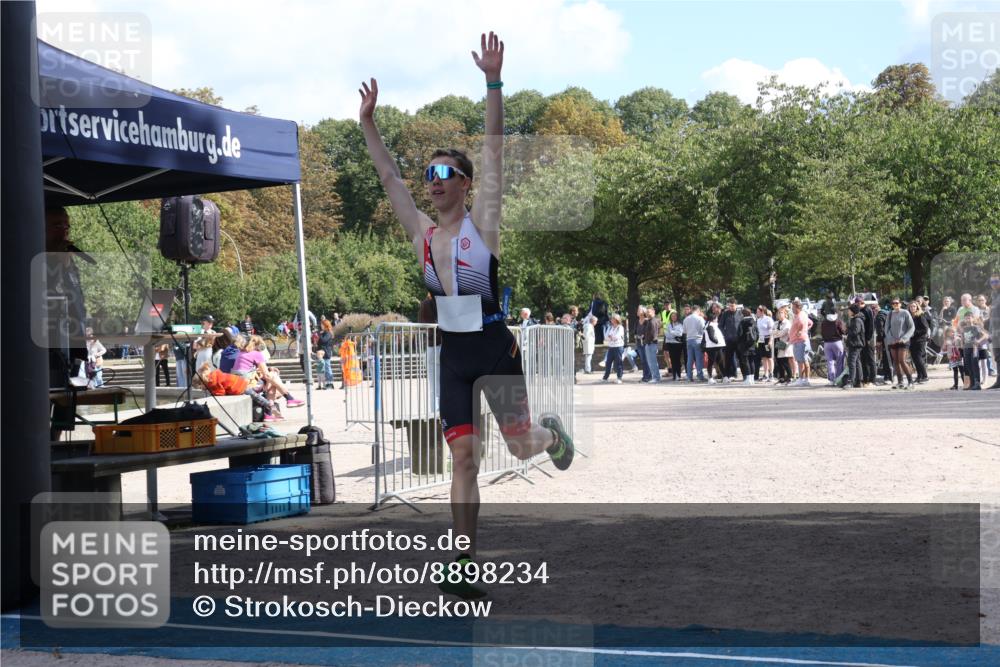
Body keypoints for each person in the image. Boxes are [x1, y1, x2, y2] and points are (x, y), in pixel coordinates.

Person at [359, 32, 574, 599]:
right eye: (428, 175)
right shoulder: (421, 235)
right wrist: (368, 124)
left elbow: (495, 150)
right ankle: (463, 560)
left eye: (443, 175)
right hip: (452, 357)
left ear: (466, 185)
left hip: (494, 349)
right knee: (463, 460)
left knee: (520, 446)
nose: (432, 183)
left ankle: (551, 435)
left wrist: (494, 81)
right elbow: (388, 178)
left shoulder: (484, 226)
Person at [883, 297, 915, 389]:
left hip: (903, 341)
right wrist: (891, 339)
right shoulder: (890, 314)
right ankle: (900, 382)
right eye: (893, 303)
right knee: (896, 361)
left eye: (897, 303)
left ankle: (910, 382)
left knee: (902, 360)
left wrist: (904, 338)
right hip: (893, 341)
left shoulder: (905, 313)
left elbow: (911, 327)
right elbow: (886, 328)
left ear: (900, 304)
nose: (895, 305)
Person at [959, 312, 988, 390]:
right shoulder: (964, 329)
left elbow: (985, 335)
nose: (968, 319)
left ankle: (977, 383)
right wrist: (962, 344)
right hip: (966, 349)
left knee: (974, 365)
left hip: (974, 348)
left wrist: (979, 341)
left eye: (969, 317)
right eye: (966, 318)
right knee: (968, 366)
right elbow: (962, 337)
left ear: (973, 318)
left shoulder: (976, 327)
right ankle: (971, 383)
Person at [788, 299, 813, 386]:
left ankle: (802, 379)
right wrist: (805, 330)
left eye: (793, 307)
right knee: (803, 360)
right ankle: (805, 379)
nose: (792, 309)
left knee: (801, 361)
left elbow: (802, 323)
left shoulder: (800, 316)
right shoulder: (802, 314)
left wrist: (801, 331)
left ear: (797, 307)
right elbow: (810, 323)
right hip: (801, 340)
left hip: (800, 341)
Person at [854, 296, 877, 387]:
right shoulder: (859, 311)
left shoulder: (867, 310)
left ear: (861, 303)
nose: (857, 305)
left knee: (870, 359)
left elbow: (871, 326)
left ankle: (872, 379)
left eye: (857, 303)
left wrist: (868, 339)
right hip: (861, 339)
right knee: (863, 359)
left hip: (867, 338)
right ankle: (865, 378)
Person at [908, 300, 933, 383]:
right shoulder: (910, 317)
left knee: (919, 358)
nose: (912, 308)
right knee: (915, 359)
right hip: (912, 340)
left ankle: (925, 376)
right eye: (911, 306)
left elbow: (925, 329)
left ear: (917, 307)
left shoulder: (920, 316)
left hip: (920, 340)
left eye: (914, 306)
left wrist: (914, 333)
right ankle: (919, 376)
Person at [820, 312, 846, 386]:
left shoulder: (824, 322)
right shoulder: (838, 321)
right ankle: (838, 379)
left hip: (827, 344)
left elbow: (822, 333)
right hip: (837, 343)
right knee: (839, 362)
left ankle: (831, 380)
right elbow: (843, 331)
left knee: (830, 362)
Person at [844, 304, 866, 389]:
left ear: (853, 311)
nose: (848, 312)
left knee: (851, 362)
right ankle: (859, 381)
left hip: (856, 344)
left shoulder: (857, 320)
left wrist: (847, 330)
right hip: (855, 343)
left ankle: (851, 382)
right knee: (857, 362)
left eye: (849, 310)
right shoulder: (854, 319)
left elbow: (855, 331)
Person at [718, 298, 740, 381]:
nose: (731, 307)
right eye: (730, 306)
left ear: (736, 305)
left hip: (738, 339)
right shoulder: (725, 314)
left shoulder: (740, 313)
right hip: (728, 339)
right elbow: (720, 326)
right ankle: (728, 375)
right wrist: (725, 334)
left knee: (741, 358)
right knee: (728, 358)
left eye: (733, 306)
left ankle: (744, 375)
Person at [682, 306, 706, 382]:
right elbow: (703, 329)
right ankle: (700, 376)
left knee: (690, 359)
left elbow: (684, 331)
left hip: (689, 340)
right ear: (698, 310)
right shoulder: (700, 318)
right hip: (698, 339)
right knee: (698, 359)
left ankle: (689, 377)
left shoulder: (686, 319)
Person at [735, 307, 758, 385]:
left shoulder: (742, 322)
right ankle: (752, 379)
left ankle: (748, 378)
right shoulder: (754, 321)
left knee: (745, 361)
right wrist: (754, 341)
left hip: (744, 344)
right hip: (752, 344)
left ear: (743, 314)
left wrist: (738, 342)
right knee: (751, 361)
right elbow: (757, 333)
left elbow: (739, 334)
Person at [702, 312, 727, 384]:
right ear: (713, 319)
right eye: (716, 318)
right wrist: (717, 342)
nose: (717, 319)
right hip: (712, 347)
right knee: (711, 362)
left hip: (717, 346)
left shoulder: (714, 325)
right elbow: (711, 337)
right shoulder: (710, 326)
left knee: (720, 361)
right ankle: (710, 378)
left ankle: (725, 377)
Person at [773, 306, 794, 385]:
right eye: (778, 313)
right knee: (779, 362)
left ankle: (790, 377)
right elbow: (771, 332)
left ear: (785, 314)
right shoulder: (776, 323)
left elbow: (783, 333)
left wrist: (776, 332)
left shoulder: (787, 323)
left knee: (785, 362)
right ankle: (781, 378)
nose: (779, 314)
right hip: (777, 344)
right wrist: (776, 333)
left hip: (784, 344)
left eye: (781, 313)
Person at [601, 314, 625, 384]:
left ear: (616, 319)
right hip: (611, 347)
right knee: (608, 362)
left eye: (613, 319)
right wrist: (611, 337)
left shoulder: (620, 327)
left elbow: (617, 337)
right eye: (611, 319)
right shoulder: (610, 327)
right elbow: (606, 337)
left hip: (618, 347)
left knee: (618, 363)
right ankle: (605, 378)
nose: (611, 320)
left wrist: (611, 337)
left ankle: (619, 377)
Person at [754, 306, 774, 382]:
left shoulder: (768, 319)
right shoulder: (758, 320)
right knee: (763, 357)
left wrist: (770, 341)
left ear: (762, 312)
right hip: (761, 340)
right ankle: (765, 374)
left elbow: (772, 330)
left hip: (767, 339)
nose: (757, 313)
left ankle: (771, 374)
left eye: (758, 312)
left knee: (769, 357)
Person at [663, 310, 685, 381]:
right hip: (670, 344)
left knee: (677, 360)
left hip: (678, 344)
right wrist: (674, 334)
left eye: (675, 316)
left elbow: (680, 334)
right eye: (672, 316)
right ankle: (674, 375)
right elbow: (666, 334)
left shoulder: (680, 325)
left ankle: (678, 374)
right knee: (672, 360)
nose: (673, 317)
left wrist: (671, 332)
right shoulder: (668, 325)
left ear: (677, 317)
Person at [643, 305, 661, 384]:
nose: (647, 313)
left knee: (652, 362)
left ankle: (656, 377)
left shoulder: (653, 321)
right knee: (652, 362)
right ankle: (656, 377)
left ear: (653, 312)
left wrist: (648, 341)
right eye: (646, 312)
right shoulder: (650, 321)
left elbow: (653, 334)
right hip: (650, 343)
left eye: (649, 312)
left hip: (651, 343)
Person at [317, 319, 336, 389]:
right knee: (324, 369)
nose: (321, 326)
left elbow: (323, 340)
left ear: (325, 325)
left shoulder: (328, 333)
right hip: (322, 353)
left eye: (322, 324)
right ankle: (327, 383)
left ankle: (330, 383)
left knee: (328, 368)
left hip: (326, 353)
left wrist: (320, 335)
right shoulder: (324, 333)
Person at [989, 273, 1000, 389]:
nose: (994, 284)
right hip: (995, 332)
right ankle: (999, 381)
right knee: (997, 357)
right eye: (992, 282)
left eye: (996, 281)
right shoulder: (994, 296)